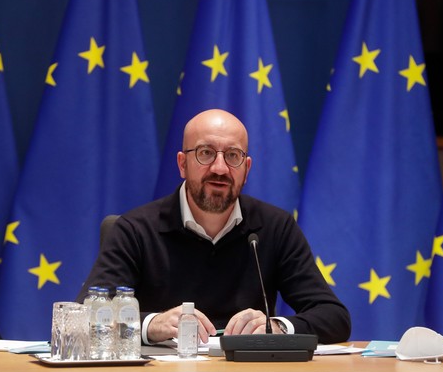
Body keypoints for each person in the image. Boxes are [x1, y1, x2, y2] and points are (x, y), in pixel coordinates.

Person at [77, 108, 351, 345]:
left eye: (233, 156)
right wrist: (152, 324)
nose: (220, 168)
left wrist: (276, 328)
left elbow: (334, 317)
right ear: (182, 164)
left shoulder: (275, 228)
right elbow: (85, 317)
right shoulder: (135, 229)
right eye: (206, 153)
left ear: (246, 168)